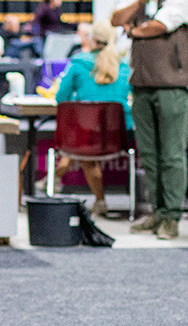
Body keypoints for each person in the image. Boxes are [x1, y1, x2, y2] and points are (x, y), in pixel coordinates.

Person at [111, 0, 188, 240]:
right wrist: (139, 2)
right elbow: (116, 18)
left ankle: (171, 217)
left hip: (174, 84)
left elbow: (162, 24)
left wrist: (134, 30)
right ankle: (156, 211)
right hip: (142, 81)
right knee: (149, 155)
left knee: (172, 156)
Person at [50, 21, 132, 217]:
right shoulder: (124, 68)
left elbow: (61, 98)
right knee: (88, 144)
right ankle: (96, 199)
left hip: (85, 136)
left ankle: (54, 180)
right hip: (119, 138)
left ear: (92, 40)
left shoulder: (78, 63)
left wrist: (79, 104)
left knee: (84, 144)